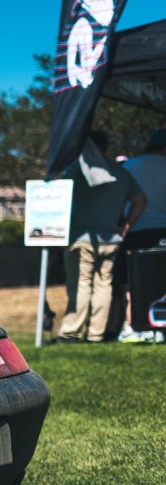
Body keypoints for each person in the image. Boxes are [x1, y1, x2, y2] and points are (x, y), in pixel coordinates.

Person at [57, 130, 147, 344]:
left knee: (80, 284)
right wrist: (125, 226)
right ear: (106, 148)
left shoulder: (75, 170)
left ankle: (72, 331)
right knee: (103, 285)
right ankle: (96, 332)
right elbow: (141, 200)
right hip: (111, 238)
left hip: (81, 237)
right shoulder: (120, 172)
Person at [118, 128, 166, 342]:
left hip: (137, 228)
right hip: (162, 227)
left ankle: (134, 325)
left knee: (135, 281)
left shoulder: (131, 165)